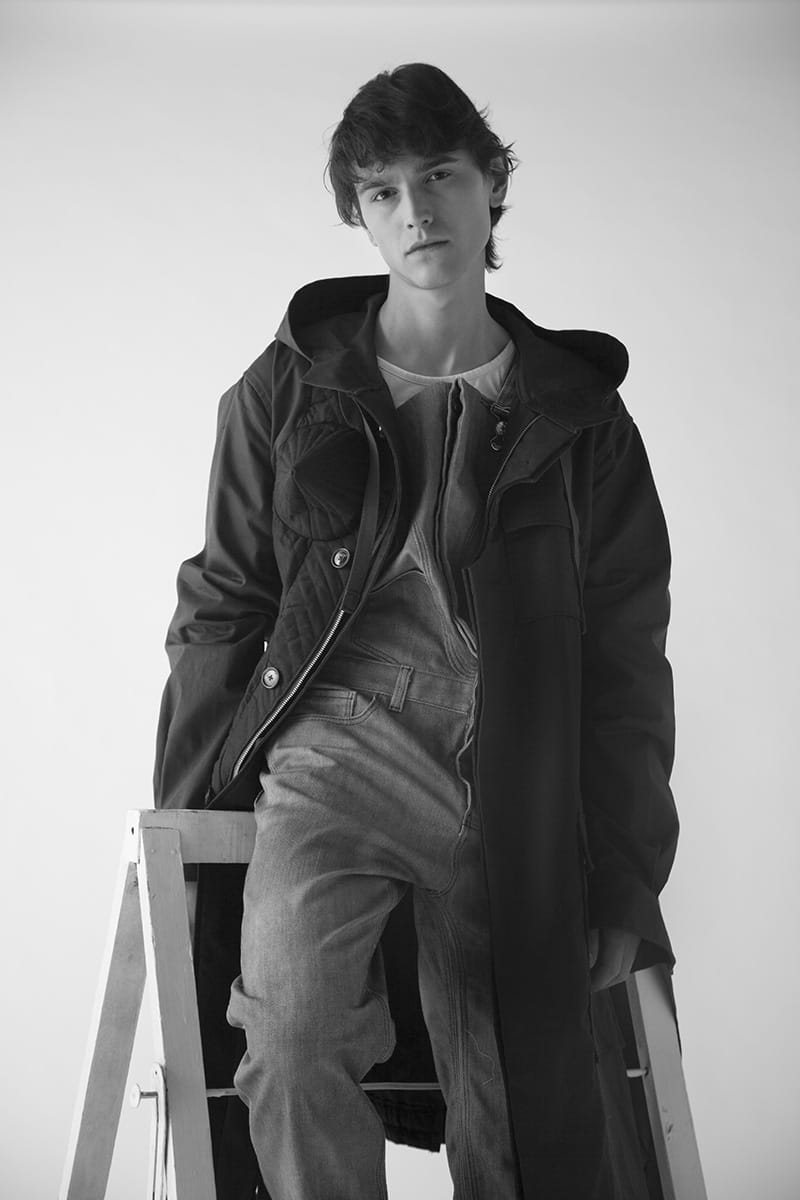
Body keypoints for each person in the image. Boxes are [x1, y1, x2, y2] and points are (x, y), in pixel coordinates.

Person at [154, 62, 679, 1200]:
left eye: (440, 176)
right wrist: (188, 806)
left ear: (491, 187)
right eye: (382, 190)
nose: (415, 211)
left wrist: (629, 875)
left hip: (515, 763)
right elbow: (225, 599)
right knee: (290, 1043)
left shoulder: (581, 416)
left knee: (519, 1094)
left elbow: (627, 653)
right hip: (336, 748)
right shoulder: (286, 389)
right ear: (358, 211)